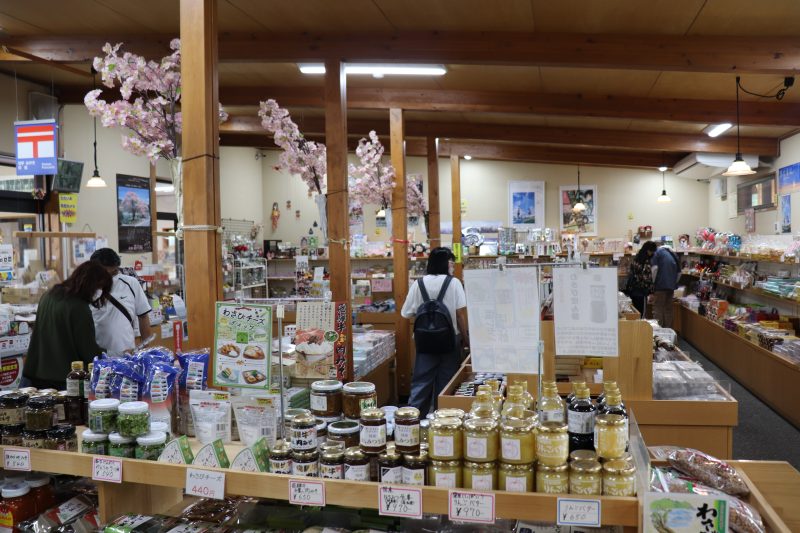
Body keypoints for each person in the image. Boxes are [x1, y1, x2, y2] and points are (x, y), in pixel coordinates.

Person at [401, 247, 469, 414]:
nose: (452, 265)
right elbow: (460, 315)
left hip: (424, 343)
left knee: (420, 382)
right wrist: (468, 341)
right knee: (447, 383)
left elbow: (406, 313)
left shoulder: (418, 284)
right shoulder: (454, 283)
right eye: (451, 262)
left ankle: (413, 422)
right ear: (446, 264)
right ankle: (444, 422)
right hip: (449, 342)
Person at [23, 261, 112, 389]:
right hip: (64, 378)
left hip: (36, 374)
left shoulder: (48, 296)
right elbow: (87, 349)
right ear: (90, 284)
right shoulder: (78, 307)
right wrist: (110, 357)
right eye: (99, 287)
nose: (98, 292)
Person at [90, 248, 153, 356]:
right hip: (99, 357)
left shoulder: (131, 283)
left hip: (127, 356)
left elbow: (143, 316)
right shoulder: (86, 290)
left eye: (114, 272)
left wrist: (145, 351)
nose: (111, 279)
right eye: (106, 274)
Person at [650, 243, 681, 328]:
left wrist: (651, 283)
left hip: (660, 285)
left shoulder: (657, 252)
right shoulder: (673, 254)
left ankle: (658, 333)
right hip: (671, 287)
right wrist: (673, 282)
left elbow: (655, 269)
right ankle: (669, 331)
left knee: (658, 309)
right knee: (668, 309)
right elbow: (679, 273)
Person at [626, 241, 656, 317]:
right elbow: (647, 278)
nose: (652, 253)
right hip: (641, 292)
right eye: (652, 251)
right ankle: (640, 328)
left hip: (633, 290)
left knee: (635, 313)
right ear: (648, 250)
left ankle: (635, 328)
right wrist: (651, 292)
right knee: (642, 314)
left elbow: (631, 273)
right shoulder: (646, 262)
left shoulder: (636, 259)